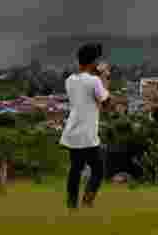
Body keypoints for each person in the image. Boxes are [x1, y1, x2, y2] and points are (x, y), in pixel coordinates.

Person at [60, 43, 112, 210]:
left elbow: (86, 91)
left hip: (72, 132)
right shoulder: (95, 81)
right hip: (87, 135)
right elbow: (106, 104)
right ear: (94, 62)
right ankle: (87, 202)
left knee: (75, 170)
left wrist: (97, 73)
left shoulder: (70, 80)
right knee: (98, 171)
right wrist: (105, 76)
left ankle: (71, 205)